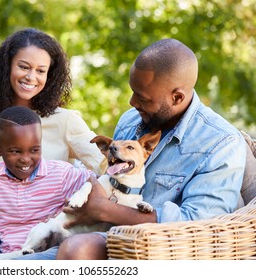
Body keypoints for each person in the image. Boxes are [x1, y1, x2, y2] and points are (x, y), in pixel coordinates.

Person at [14, 38, 247, 260]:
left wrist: (104, 210)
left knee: (76, 250)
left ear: (177, 97)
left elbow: (199, 224)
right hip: (98, 231)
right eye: (133, 91)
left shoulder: (220, 143)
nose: (132, 103)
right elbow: (109, 178)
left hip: (157, 249)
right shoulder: (131, 120)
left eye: (143, 98)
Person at [0, 106, 95, 259]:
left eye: (34, 150)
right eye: (15, 151)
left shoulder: (61, 173)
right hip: (10, 255)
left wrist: (80, 208)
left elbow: (95, 181)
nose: (26, 159)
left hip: (51, 252)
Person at [0, 27, 106, 175]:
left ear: (49, 75)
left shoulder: (66, 121)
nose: (31, 77)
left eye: (41, 71)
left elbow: (105, 167)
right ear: (7, 67)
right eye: (24, 67)